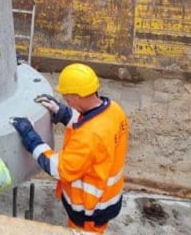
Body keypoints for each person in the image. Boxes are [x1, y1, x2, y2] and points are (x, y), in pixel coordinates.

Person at [10, 63, 129, 233]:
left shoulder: (90, 136)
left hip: (89, 212)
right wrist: (62, 112)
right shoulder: (113, 110)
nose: (66, 98)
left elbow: (59, 168)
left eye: (67, 96)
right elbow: (87, 123)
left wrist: (30, 137)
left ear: (78, 95)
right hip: (106, 201)